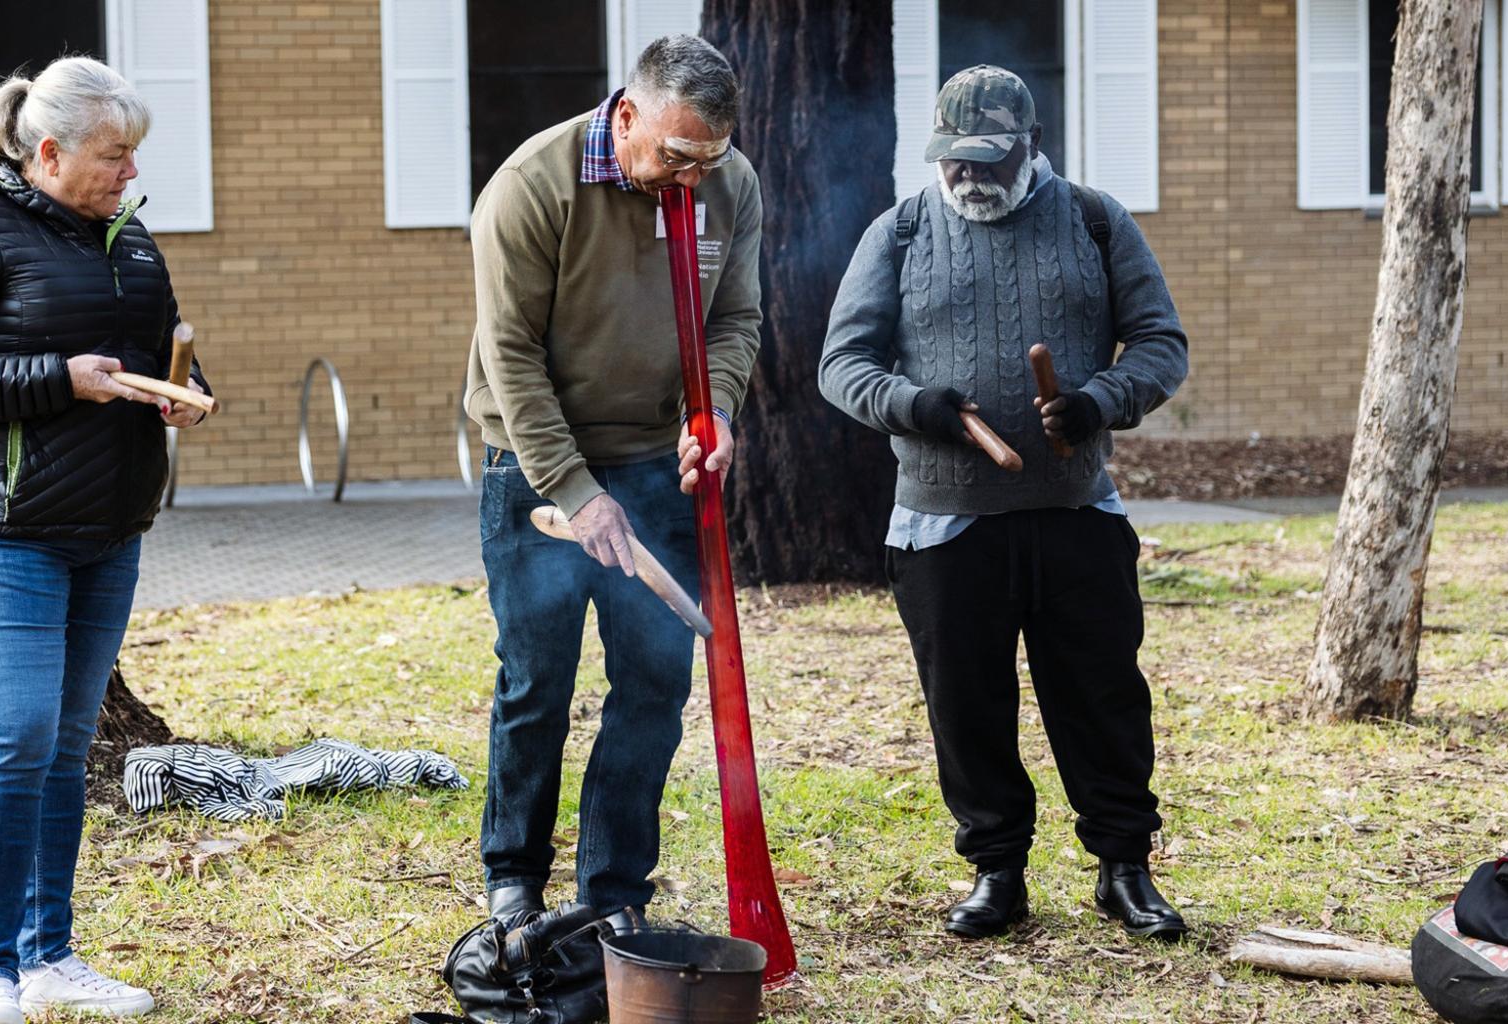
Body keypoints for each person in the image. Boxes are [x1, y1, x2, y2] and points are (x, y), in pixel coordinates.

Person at [819, 66, 1190, 942]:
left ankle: (1123, 869)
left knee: (1101, 695)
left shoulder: (1096, 219)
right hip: (943, 524)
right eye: (953, 160)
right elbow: (842, 365)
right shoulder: (901, 231)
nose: (968, 177)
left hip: (1076, 513)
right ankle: (997, 871)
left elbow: (1162, 343)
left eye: (989, 159)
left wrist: (1102, 400)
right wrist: (918, 408)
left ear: (1032, 145)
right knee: (967, 702)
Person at [0, 56, 210, 1024]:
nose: (130, 173)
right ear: (48, 151)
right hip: (4, 525)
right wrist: (58, 377)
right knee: (20, 735)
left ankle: (50, 954)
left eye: (134, 157)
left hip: (108, 527)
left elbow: (158, 348)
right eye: (115, 156)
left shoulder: (131, 237)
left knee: (69, 746)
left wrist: (185, 391)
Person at [463, 34, 762, 923]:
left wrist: (714, 411)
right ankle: (513, 876)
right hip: (532, 466)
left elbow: (736, 318)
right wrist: (573, 491)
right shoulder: (532, 185)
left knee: (653, 683)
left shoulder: (726, 184)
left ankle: (612, 894)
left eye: (706, 161)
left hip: (654, 465)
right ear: (626, 116)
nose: (690, 181)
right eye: (674, 156)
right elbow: (510, 357)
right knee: (537, 677)